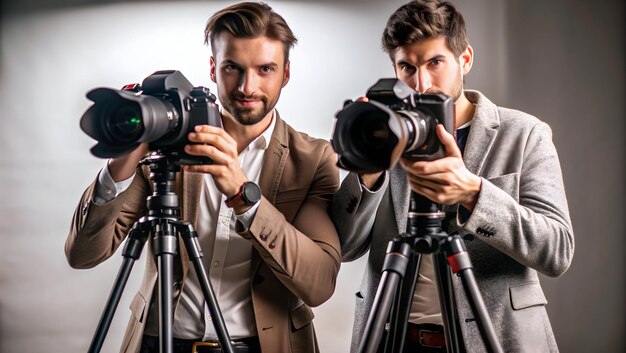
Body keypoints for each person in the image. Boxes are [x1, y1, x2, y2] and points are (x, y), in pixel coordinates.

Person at [65, 2, 341, 353]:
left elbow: (318, 284)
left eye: (265, 69)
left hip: (264, 345)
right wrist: (123, 159)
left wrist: (244, 194)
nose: (246, 86)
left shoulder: (313, 158)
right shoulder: (169, 146)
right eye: (232, 68)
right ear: (213, 68)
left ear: (285, 74)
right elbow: (83, 254)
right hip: (161, 342)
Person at [330, 1, 574, 352]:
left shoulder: (523, 134)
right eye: (407, 67)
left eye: (435, 62)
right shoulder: (385, 135)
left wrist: (474, 194)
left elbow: (557, 251)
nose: (422, 83)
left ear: (466, 59)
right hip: (394, 338)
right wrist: (368, 168)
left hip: (497, 337)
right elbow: (344, 247)